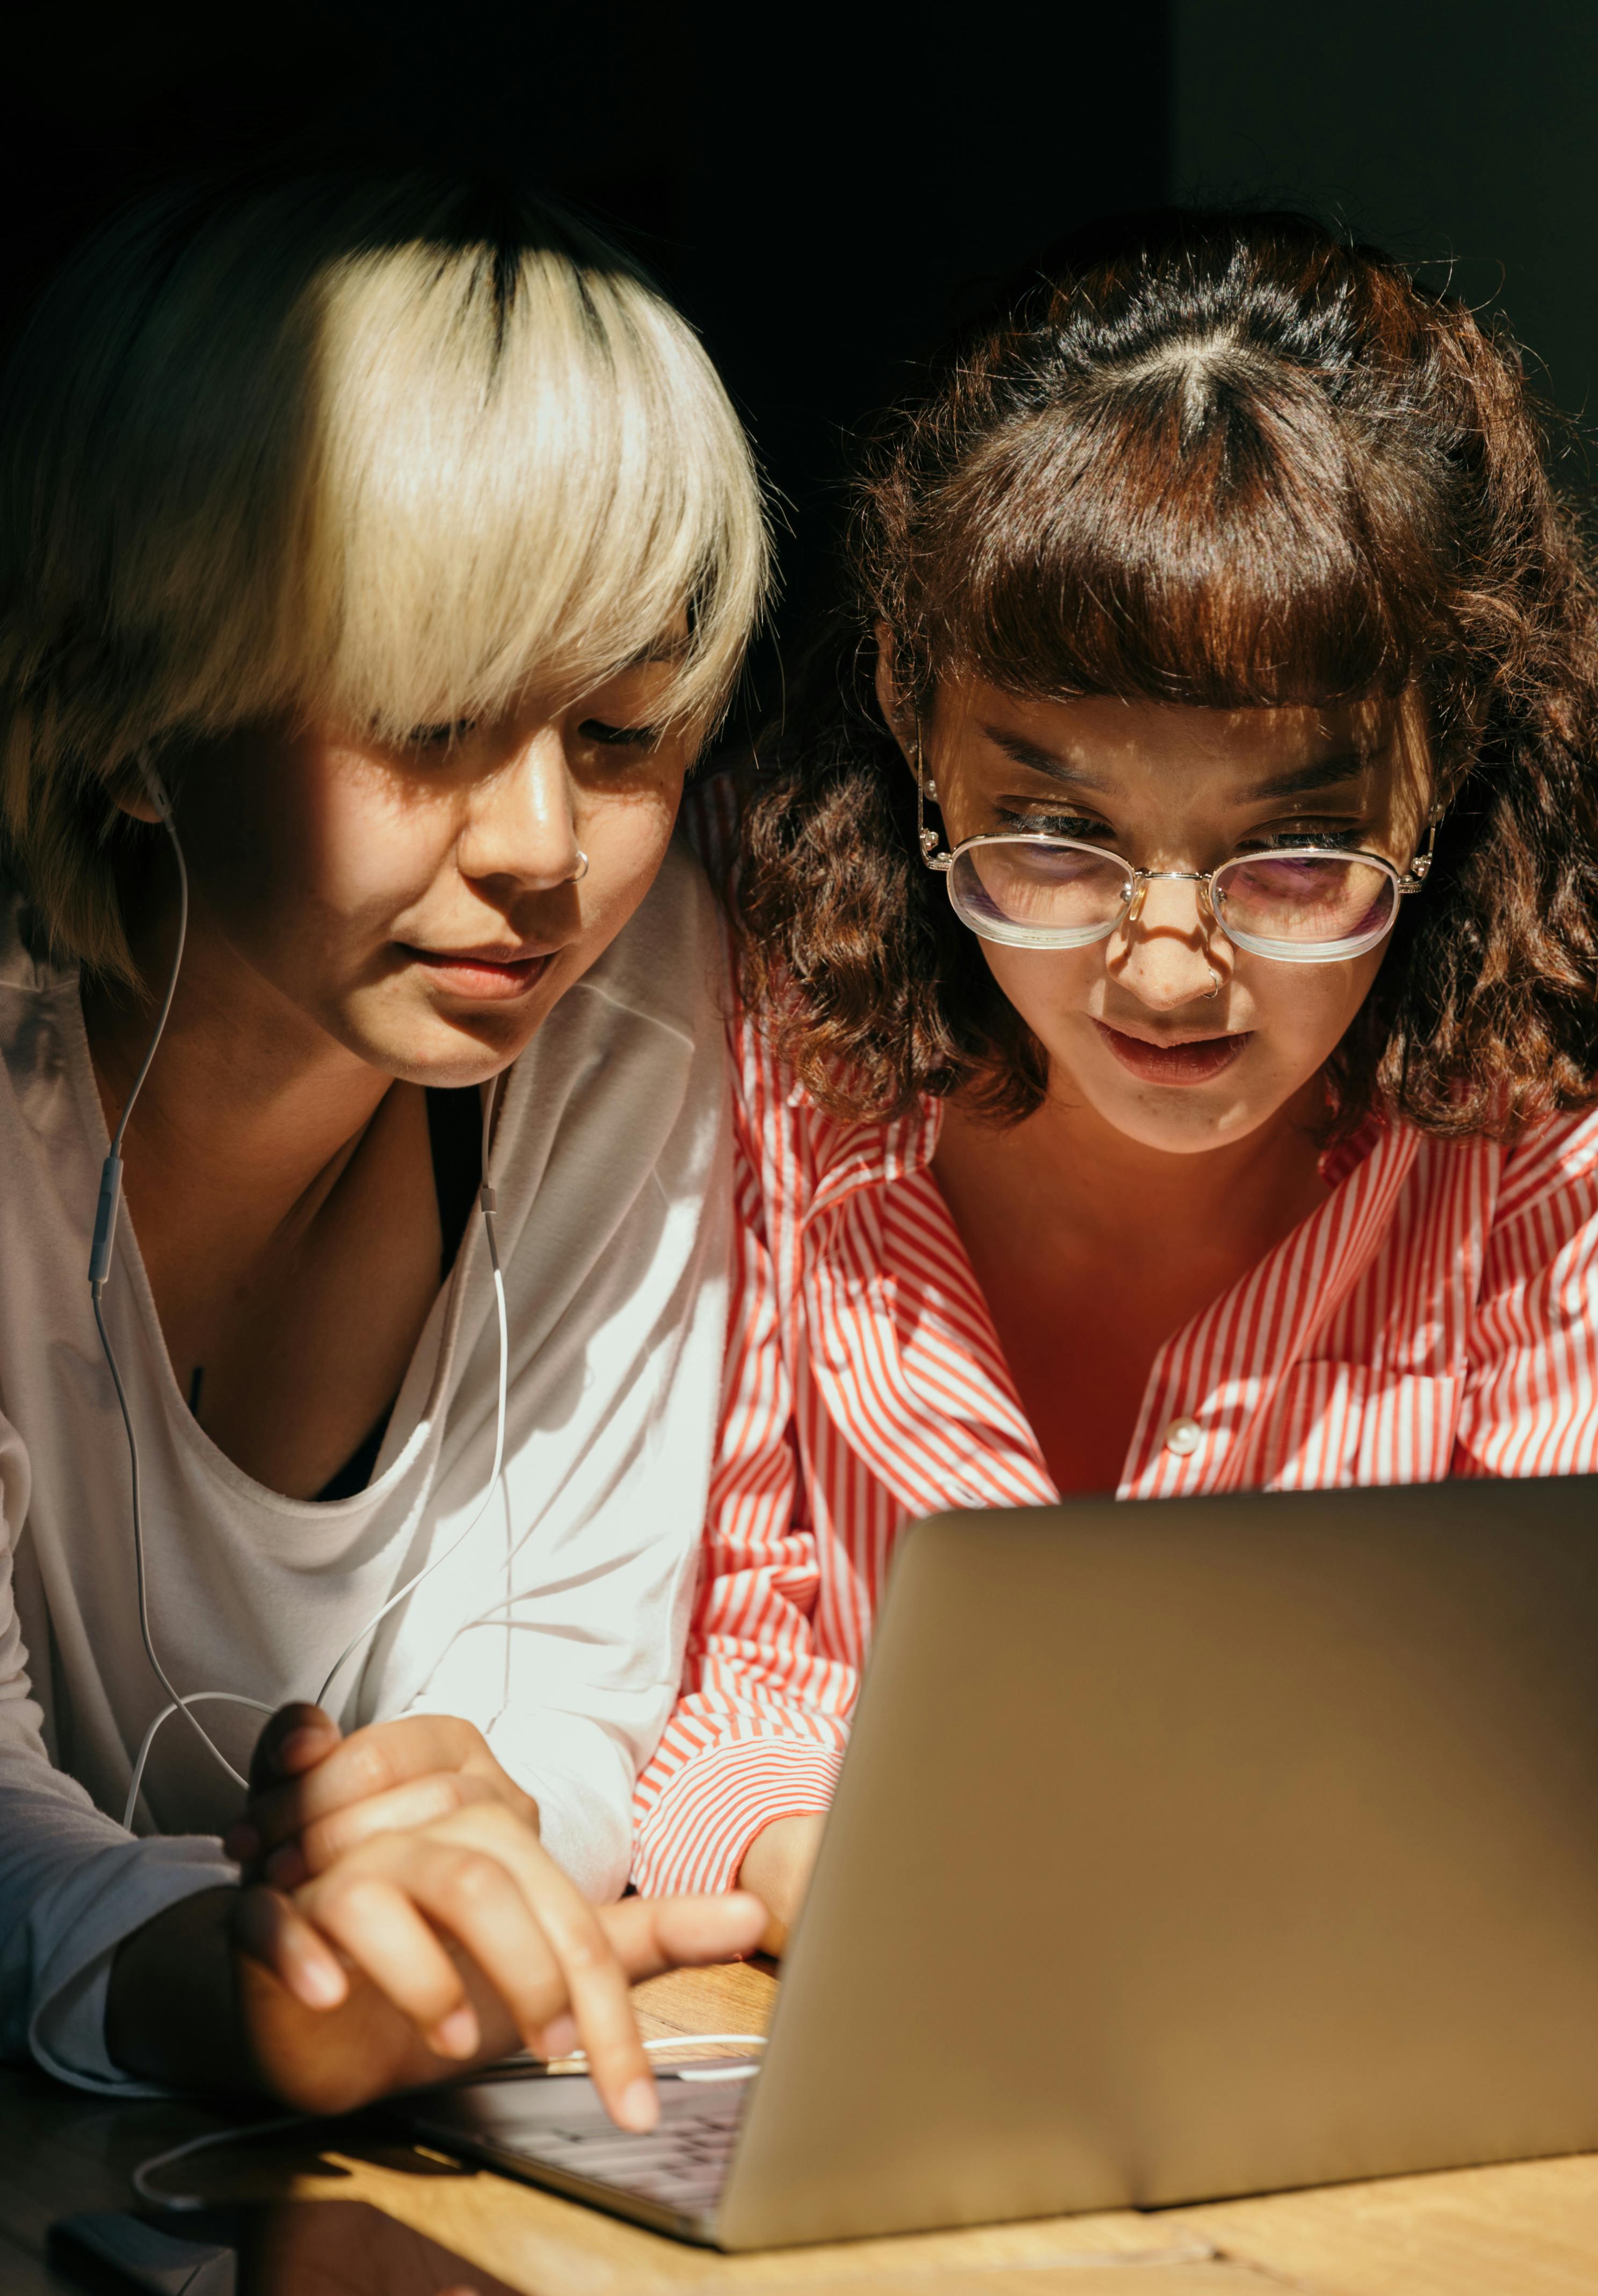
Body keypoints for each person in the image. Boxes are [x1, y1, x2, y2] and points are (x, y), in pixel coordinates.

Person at [628, 210, 1598, 1943]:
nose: (1163, 966)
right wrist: (826, 1861)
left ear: (1444, 769)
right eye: (1056, 836)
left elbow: (1546, 1760)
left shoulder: (1535, 1169)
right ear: (912, 716)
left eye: (1295, 854)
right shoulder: (750, 1028)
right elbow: (721, 1645)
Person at [0, 164, 769, 2122]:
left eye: (622, 730)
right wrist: (261, 1989)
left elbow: (569, 1707)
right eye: (429, 719)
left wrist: (471, 1854)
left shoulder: (632, 982)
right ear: (122, 719)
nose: (539, 851)